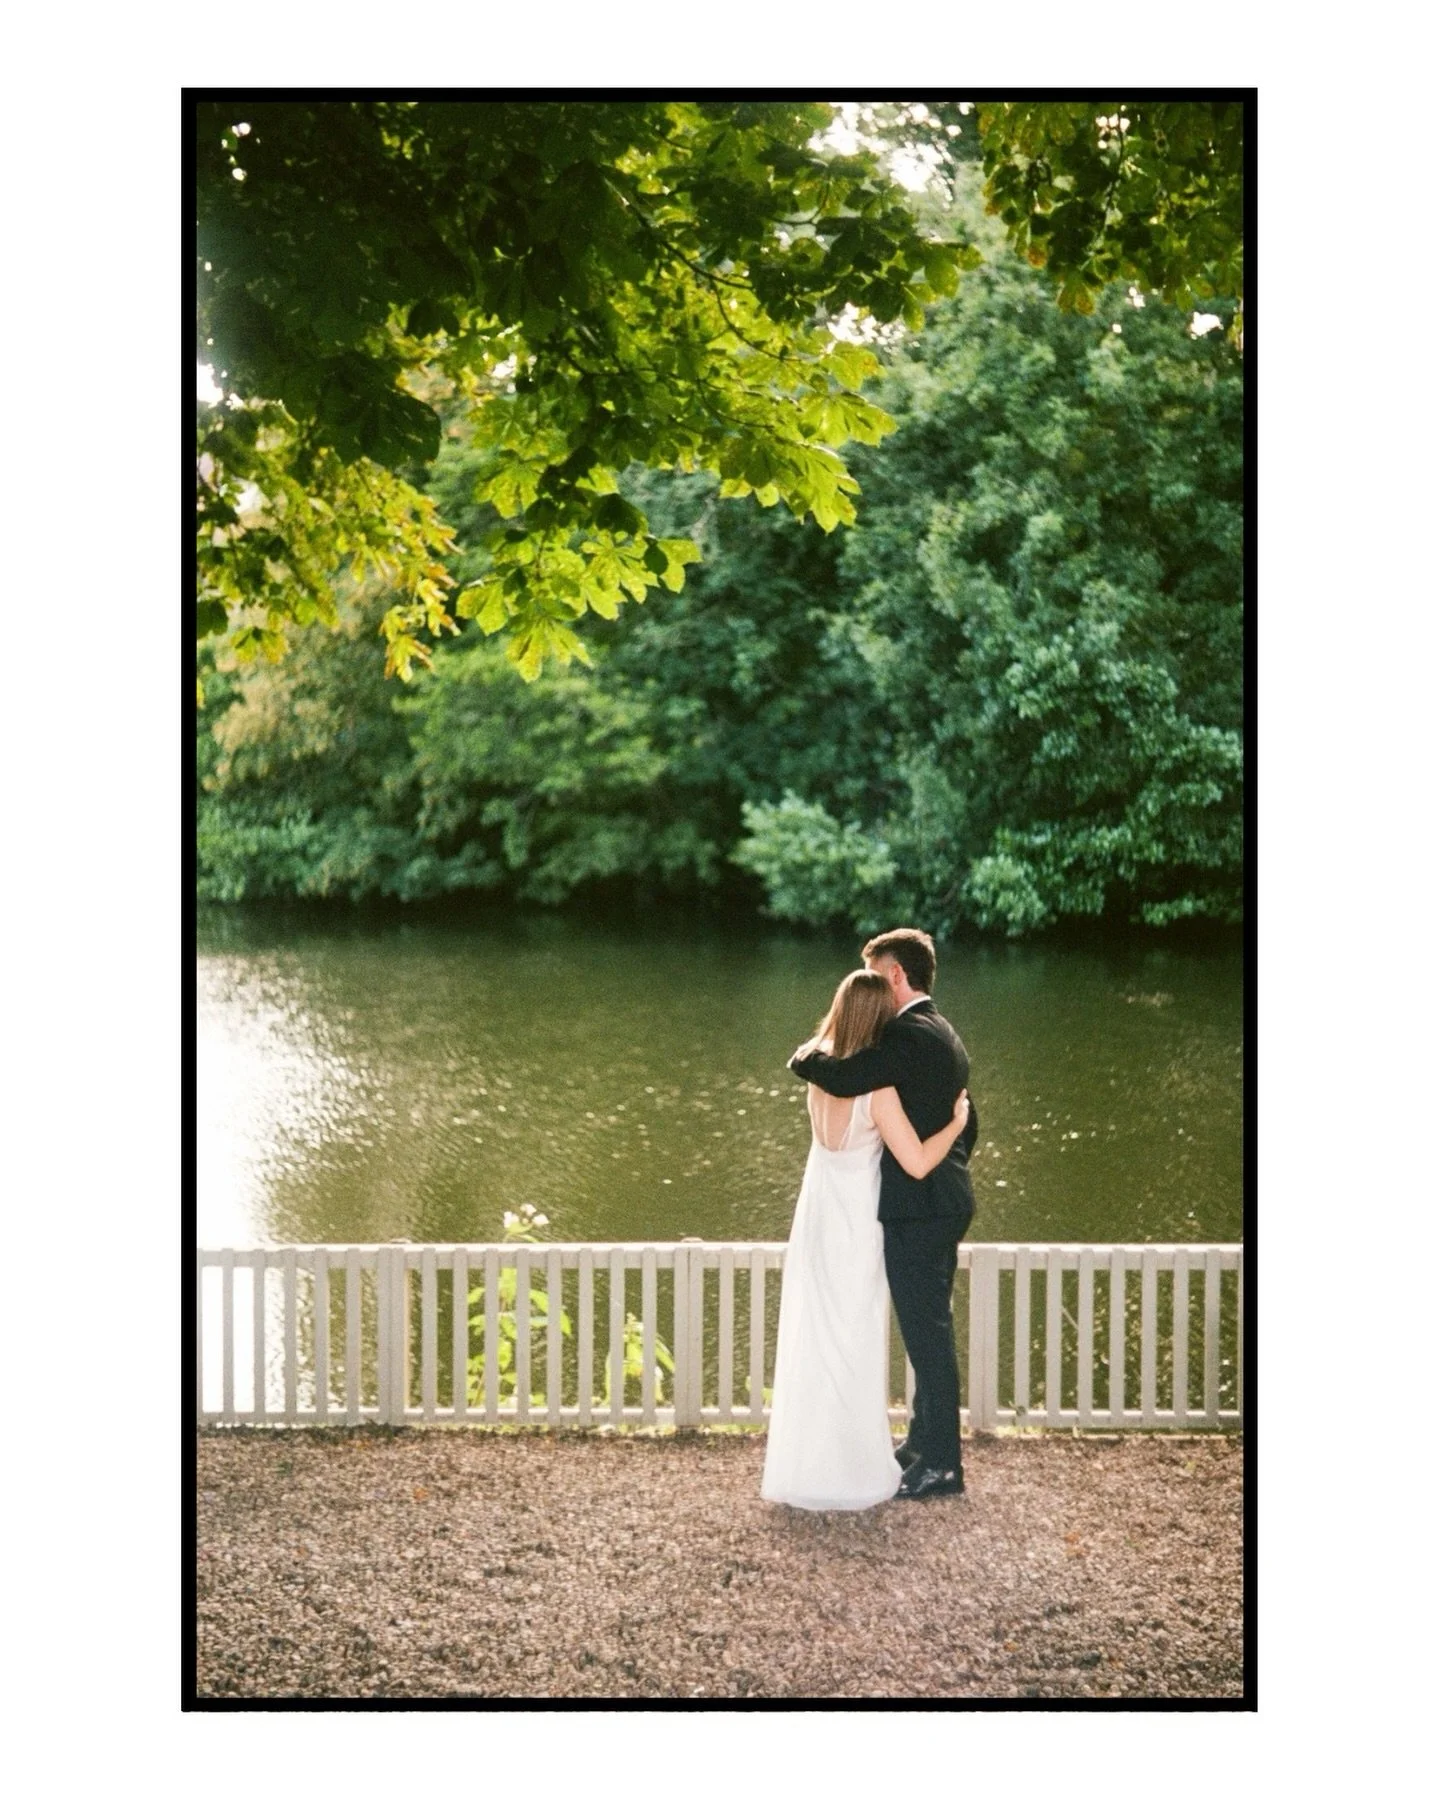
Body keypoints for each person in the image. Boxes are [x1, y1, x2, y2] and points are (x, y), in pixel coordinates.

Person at [761, 968, 970, 1511]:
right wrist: (956, 1124)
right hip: (859, 1224)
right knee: (855, 1340)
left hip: (818, 1220)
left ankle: (810, 1462)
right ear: (878, 1021)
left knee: (817, 1337)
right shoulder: (876, 1091)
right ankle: (854, 1463)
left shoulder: (821, 1077)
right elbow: (917, 1162)